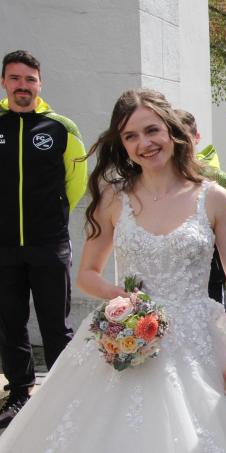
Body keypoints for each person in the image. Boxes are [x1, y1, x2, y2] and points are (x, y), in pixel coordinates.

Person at [0, 89, 226, 452]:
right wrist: (122, 301)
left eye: (152, 130)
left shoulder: (212, 197)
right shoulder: (113, 198)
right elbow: (87, 273)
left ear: (171, 131)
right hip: (127, 336)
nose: (144, 143)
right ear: (121, 145)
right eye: (130, 136)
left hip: (199, 340)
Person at [0, 50, 87, 428]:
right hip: (3, 246)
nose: (23, 86)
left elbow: (76, 183)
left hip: (49, 244)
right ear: (4, 82)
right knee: (9, 323)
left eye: (30, 79)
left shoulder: (60, 128)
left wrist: (52, 216)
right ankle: (20, 392)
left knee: (56, 324)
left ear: (40, 83)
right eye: (15, 78)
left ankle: (63, 395)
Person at [175, 108, 226, 309]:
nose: (179, 143)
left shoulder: (220, 180)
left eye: (185, 136)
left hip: (210, 281)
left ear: (197, 138)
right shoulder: (159, 180)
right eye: (174, 136)